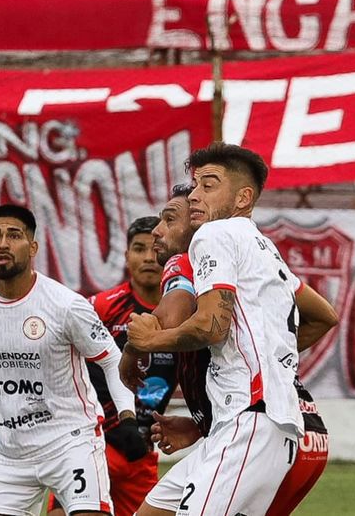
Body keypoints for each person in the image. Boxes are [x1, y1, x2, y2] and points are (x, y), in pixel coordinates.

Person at [125, 143, 319, 515]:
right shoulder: (264, 247)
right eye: (195, 185)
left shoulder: (215, 235)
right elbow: (323, 317)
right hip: (255, 425)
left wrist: (151, 340)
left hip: (250, 423)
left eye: (209, 185)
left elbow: (213, 325)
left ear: (243, 197)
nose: (195, 195)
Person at [0, 204, 137, 516]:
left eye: (13, 235)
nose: (3, 243)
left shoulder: (66, 305)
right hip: (8, 451)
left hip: (70, 443)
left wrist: (127, 417)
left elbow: (111, 359)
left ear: (32, 247)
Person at [47, 215, 176, 516]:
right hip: (92, 441)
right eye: (138, 248)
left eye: (154, 249)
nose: (147, 257)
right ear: (127, 255)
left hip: (140, 450)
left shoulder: (182, 310)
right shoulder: (102, 306)